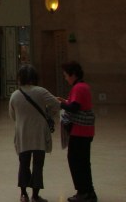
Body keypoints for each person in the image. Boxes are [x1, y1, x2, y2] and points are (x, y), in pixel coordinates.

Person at [9, 64, 60, 202]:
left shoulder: (15, 95)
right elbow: (57, 104)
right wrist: (48, 114)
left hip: (23, 133)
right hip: (39, 134)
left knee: (23, 164)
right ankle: (35, 196)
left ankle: (23, 194)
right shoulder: (41, 92)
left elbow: (13, 116)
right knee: (38, 165)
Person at [58, 61, 97, 202]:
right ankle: (88, 192)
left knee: (76, 162)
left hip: (79, 131)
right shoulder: (83, 86)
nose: (65, 78)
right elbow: (76, 104)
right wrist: (64, 102)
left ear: (73, 74)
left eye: (66, 75)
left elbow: (74, 108)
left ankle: (83, 192)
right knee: (83, 162)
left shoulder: (78, 88)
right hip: (85, 131)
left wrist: (60, 104)